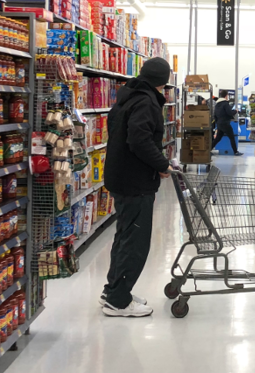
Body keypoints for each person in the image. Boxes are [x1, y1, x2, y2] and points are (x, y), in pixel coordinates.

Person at [101, 57, 173, 317]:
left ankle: (113, 290)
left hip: (121, 177)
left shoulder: (128, 96)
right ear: (163, 82)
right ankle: (119, 301)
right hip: (134, 182)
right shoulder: (146, 101)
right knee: (135, 242)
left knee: (124, 236)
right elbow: (140, 140)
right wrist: (162, 165)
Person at [212, 89, 243, 156]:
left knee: (218, 138)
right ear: (226, 96)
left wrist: (218, 123)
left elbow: (215, 115)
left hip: (219, 123)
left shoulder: (217, 104)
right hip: (225, 123)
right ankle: (235, 152)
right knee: (232, 137)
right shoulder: (225, 104)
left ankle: (208, 150)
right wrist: (235, 111)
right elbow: (229, 113)